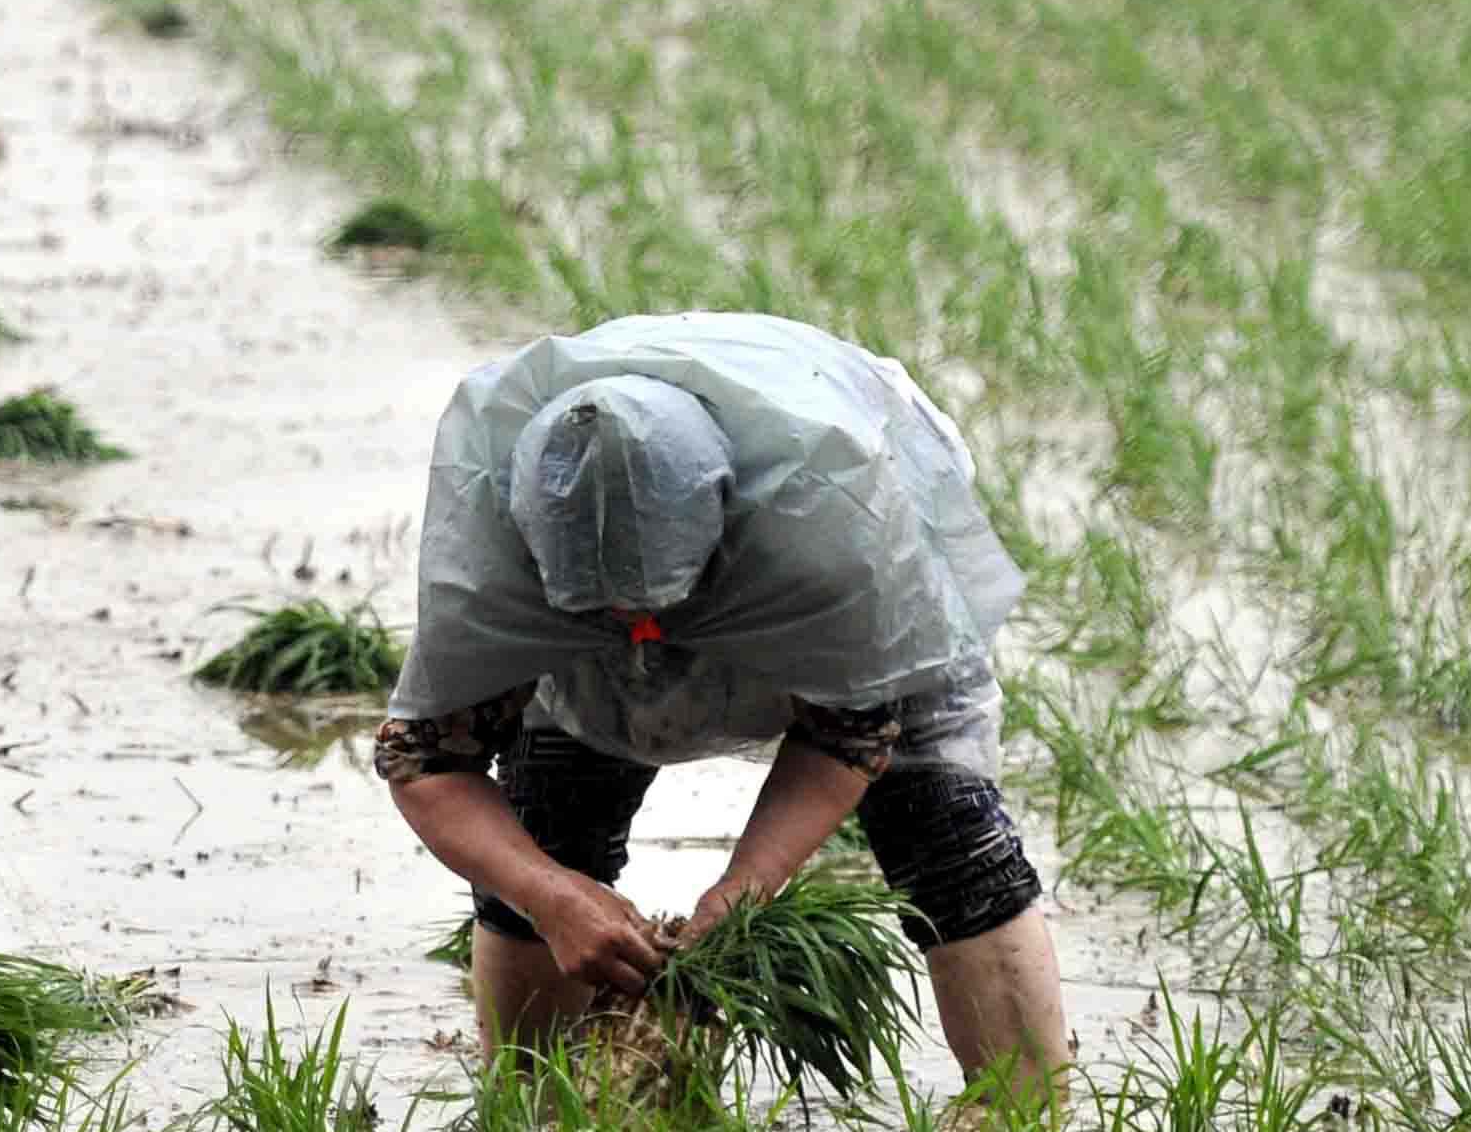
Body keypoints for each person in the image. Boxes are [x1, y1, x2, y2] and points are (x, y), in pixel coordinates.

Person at [375, 312, 1068, 1090]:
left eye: (657, 611)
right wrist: (550, 895)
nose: (645, 642)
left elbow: (851, 733)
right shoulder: (489, 556)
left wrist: (742, 890)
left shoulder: (840, 538)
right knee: (546, 824)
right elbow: (424, 756)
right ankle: (529, 1117)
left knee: (943, 829)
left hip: (846, 545)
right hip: (582, 598)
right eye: (612, 618)